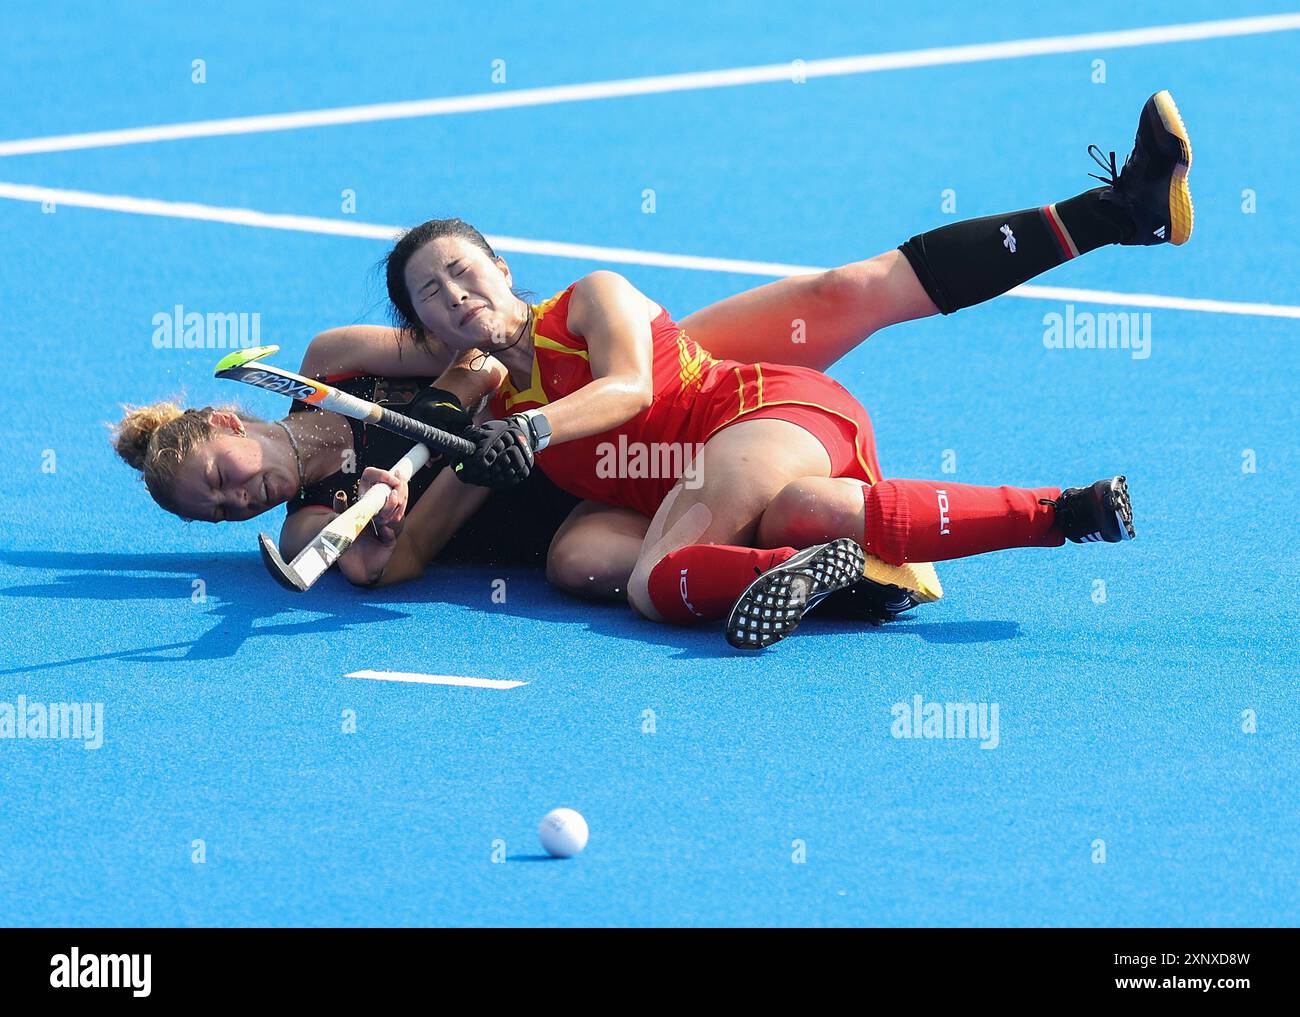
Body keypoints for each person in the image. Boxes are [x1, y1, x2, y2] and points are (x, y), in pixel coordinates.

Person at [373, 90, 1187, 646]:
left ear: (504, 265)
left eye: (463, 270)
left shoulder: (589, 301)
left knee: (659, 581)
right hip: (727, 473)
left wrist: (532, 426)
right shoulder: (493, 417)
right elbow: (398, 560)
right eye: (430, 295)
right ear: (426, 329)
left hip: (754, 409)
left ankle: (1118, 212)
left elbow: (632, 388)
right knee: (648, 543)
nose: (453, 293)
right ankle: (1054, 515)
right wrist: (374, 502)